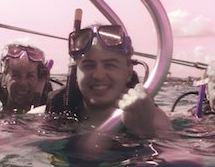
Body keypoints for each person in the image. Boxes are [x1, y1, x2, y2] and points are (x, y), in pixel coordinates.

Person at [31, 24, 172, 138]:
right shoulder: (57, 109)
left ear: (128, 72)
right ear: (75, 72)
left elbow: (180, 165)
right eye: (88, 65)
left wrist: (146, 133)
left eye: (110, 65)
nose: (98, 75)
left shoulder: (154, 120)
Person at [0, 43, 53, 113]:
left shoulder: (46, 114)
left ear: (38, 79)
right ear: (4, 79)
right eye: (16, 75)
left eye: (30, 76)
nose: (23, 82)